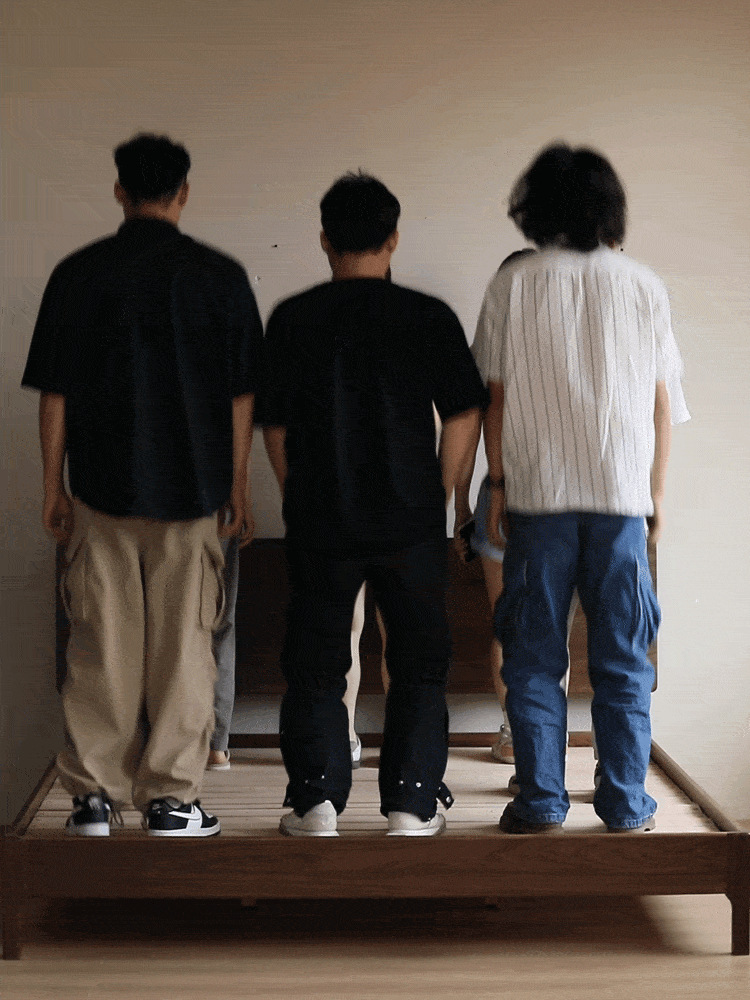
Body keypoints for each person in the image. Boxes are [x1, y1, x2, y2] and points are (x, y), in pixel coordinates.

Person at [22, 133, 263, 836]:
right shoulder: (221, 276)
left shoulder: (77, 274)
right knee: (185, 650)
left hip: (100, 491)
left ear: (119, 190)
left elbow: (56, 394)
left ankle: (93, 800)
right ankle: (171, 800)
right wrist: (240, 485)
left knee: (100, 646)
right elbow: (242, 396)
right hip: (195, 496)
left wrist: (52, 486)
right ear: (183, 193)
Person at [471, 143, 689, 835]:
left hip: (538, 502)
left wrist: (497, 484)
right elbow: (661, 403)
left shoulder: (514, 283)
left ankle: (540, 802)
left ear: (533, 208)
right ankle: (625, 802)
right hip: (621, 503)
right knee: (623, 660)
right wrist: (657, 496)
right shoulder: (643, 284)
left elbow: (495, 398)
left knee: (534, 659)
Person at [261, 171, 487, 837]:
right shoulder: (428, 315)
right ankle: (411, 808)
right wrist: (438, 489)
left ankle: (316, 805)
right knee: (418, 662)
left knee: (316, 663)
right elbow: (465, 412)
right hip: (409, 518)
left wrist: (296, 491)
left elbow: (273, 425)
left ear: (324, 239)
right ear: (393, 239)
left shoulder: (293, 317)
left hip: (321, 516)